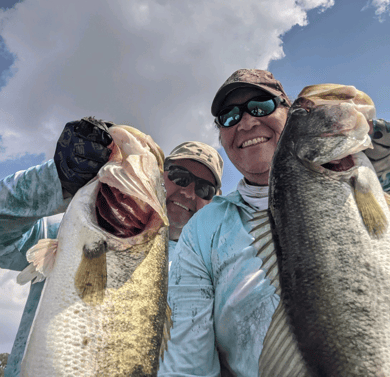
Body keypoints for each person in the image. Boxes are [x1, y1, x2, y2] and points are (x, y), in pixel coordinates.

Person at [158, 69, 390, 377]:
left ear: (285, 109)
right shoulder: (202, 229)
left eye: (262, 105)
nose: (246, 121)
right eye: (228, 116)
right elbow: (187, 361)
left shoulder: (371, 168)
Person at [0, 117, 223, 377]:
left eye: (205, 188)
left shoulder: (215, 276)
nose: (188, 192)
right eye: (179, 176)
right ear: (161, 178)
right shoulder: (64, 233)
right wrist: (59, 179)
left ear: (214, 201)